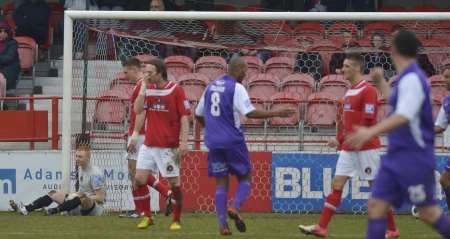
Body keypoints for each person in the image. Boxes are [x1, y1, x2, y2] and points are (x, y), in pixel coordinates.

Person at [346, 30, 450, 239]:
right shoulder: (406, 78)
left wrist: (370, 131)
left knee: (427, 212)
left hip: (414, 157)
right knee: (376, 205)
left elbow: (404, 115)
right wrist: (382, 83)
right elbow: (398, 103)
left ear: (395, 50)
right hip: (396, 157)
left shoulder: (413, 78)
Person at [298, 53, 399, 238]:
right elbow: (346, 122)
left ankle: (392, 229)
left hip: (367, 147)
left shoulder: (367, 90)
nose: (342, 69)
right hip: (349, 148)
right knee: (337, 184)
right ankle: (322, 227)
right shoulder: (349, 91)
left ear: (357, 68)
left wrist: (356, 136)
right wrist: (339, 140)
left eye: (346, 66)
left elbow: (369, 120)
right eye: (343, 66)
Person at [194, 58, 295, 235]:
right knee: (246, 177)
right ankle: (235, 207)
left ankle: (223, 225)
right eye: (245, 70)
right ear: (238, 69)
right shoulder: (237, 87)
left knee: (221, 184)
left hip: (213, 142)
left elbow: (198, 114)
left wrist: (211, 129)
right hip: (232, 140)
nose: (246, 73)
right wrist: (276, 112)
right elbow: (250, 112)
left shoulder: (211, 86)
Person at [133, 58, 190, 230]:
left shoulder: (175, 90)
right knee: (138, 180)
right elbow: (137, 110)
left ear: (160, 72)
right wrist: (143, 87)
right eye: (145, 71)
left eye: (150, 72)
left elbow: (185, 117)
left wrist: (184, 141)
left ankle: (176, 220)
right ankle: (147, 217)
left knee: (175, 185)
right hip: (149, 145)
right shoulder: (147, 89)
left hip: (168, 147)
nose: (146, 74)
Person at [10, 145, 106, 216]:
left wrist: (81, 196)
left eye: (80, 157)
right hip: (79, 205)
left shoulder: (96, 174)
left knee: (83, 197)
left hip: (94, 209)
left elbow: (100, 197)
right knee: (53, 193)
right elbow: (82, 191)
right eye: (76, 156)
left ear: (88, 158)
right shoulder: (82, 169)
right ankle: (25, 209)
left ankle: (55, 210)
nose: (77, 159)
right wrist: (75, 195)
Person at [118, 58, 159, 218]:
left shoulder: (143, 86)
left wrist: (134, 134)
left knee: (137, 174)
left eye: (126, 71)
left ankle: (163, 194)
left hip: (140, 135)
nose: (124, 75)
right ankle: (140, 210)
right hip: (139, 133)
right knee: (135, 175)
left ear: (134, 70)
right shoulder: (141, 85)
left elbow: (142, 112)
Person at [433, 63, 450, 211]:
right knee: (444, 179)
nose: (445, 80)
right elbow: (439, 126)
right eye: (444, 77)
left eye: (448, 77)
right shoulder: (446, 102)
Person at [0, 20, 20, 92]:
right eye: (0, 31)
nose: (2, 33)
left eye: (5, 31)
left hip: (8, 70)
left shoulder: (13, 43)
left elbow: (8, 58)